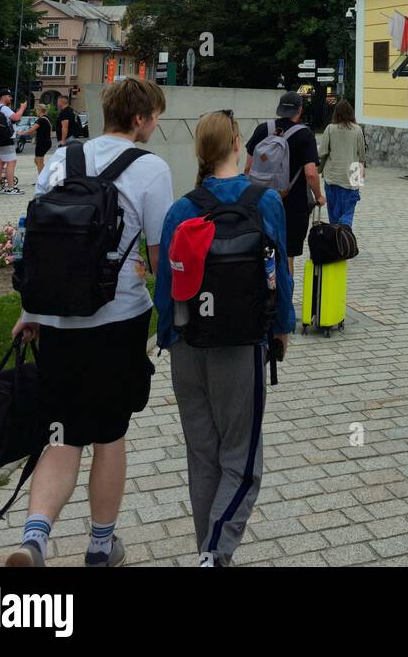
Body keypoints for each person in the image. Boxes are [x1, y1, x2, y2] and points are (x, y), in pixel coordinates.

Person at [4, 78, 173, 568]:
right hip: (117, 321)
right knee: (108, 434)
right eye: (156, 116)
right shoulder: (151, 169)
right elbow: (160, 258)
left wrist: (29, 311)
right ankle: (100, 547)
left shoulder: (62, 158)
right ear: (140, 118)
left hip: (55, 318)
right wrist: (174, 317)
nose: (156, 124)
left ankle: (34, 539)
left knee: (60, 434)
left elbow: (33, 241)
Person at [154, 111, 294, 567]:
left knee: (203, 457)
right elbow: (280, 277)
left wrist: (170, 338)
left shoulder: (182, 208)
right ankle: (215, 554)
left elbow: (164, 287)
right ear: (238, 144)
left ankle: (208, 553)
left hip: (188, 346)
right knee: (242, 459)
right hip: (240, 346)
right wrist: (281, 328)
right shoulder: (265, 201)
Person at [245, 92, 323, 274]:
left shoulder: (263, 129)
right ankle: (284, 297)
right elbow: (311, 173)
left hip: (261, 202)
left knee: (261, 250)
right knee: (288, 255)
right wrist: (319, 196)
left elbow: (248, 169)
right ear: (300, 110)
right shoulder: (305, 135)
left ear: (280, 109)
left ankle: (265, 297)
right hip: (293, 205)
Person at [316, 99, 366, 228]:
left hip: (332, 177)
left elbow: (323, 152)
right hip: (352, 178)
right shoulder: (357, 130)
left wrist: (319, 170)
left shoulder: (330, 129)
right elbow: (362, 155)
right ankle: (344, 236)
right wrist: (359, 180)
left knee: (334, 216)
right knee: (348, 213)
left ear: (335, 113)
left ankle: (337, 239)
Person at [0, 90, 27, 193]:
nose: (11, 98)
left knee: (0, 162)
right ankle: (11, 188)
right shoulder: (4, 108)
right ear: (3, 97)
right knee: (11, 162)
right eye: (9, 96)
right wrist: (22, 108)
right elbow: (16, 117)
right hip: (7, 138)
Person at [29, 103, 53, 175]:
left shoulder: (41, 120)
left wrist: (21, 133)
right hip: (46, 142)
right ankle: (46, 175)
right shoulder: (46, 118)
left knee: (39, 162)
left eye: (36, 110)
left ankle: (42, 181)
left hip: (42, 143)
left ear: (39, 110)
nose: (36, 111)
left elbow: (31, 130)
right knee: (37, 160)